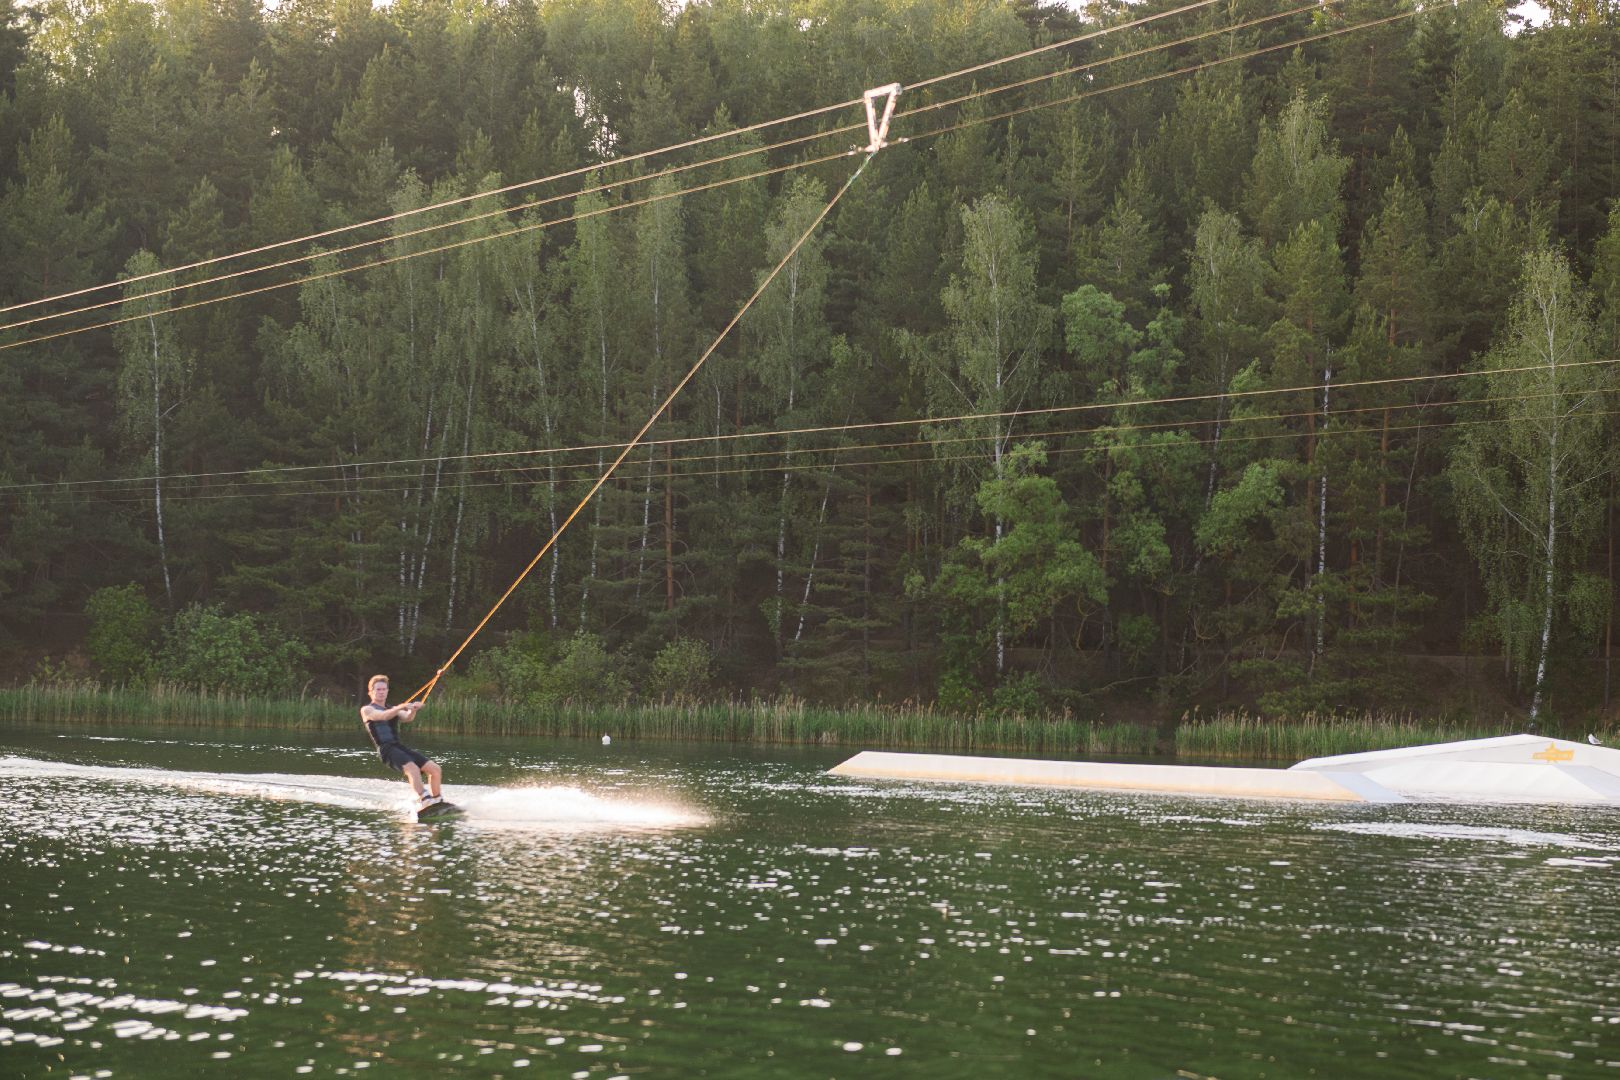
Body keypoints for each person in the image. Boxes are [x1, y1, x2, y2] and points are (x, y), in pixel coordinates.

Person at [360, 674, 444, 812]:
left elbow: (407, 718)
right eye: (378, 689)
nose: (381, 692)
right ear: (371, 692)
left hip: (398, 746)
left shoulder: (391, 708)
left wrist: (412, 710)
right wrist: (401, 707)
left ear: (387, 691)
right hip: (386, 749)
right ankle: (425, 799)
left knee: (435, 769)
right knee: (413, 769)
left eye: (383, 689)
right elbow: (383, 716)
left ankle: (437, 800)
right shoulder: (367, 710)